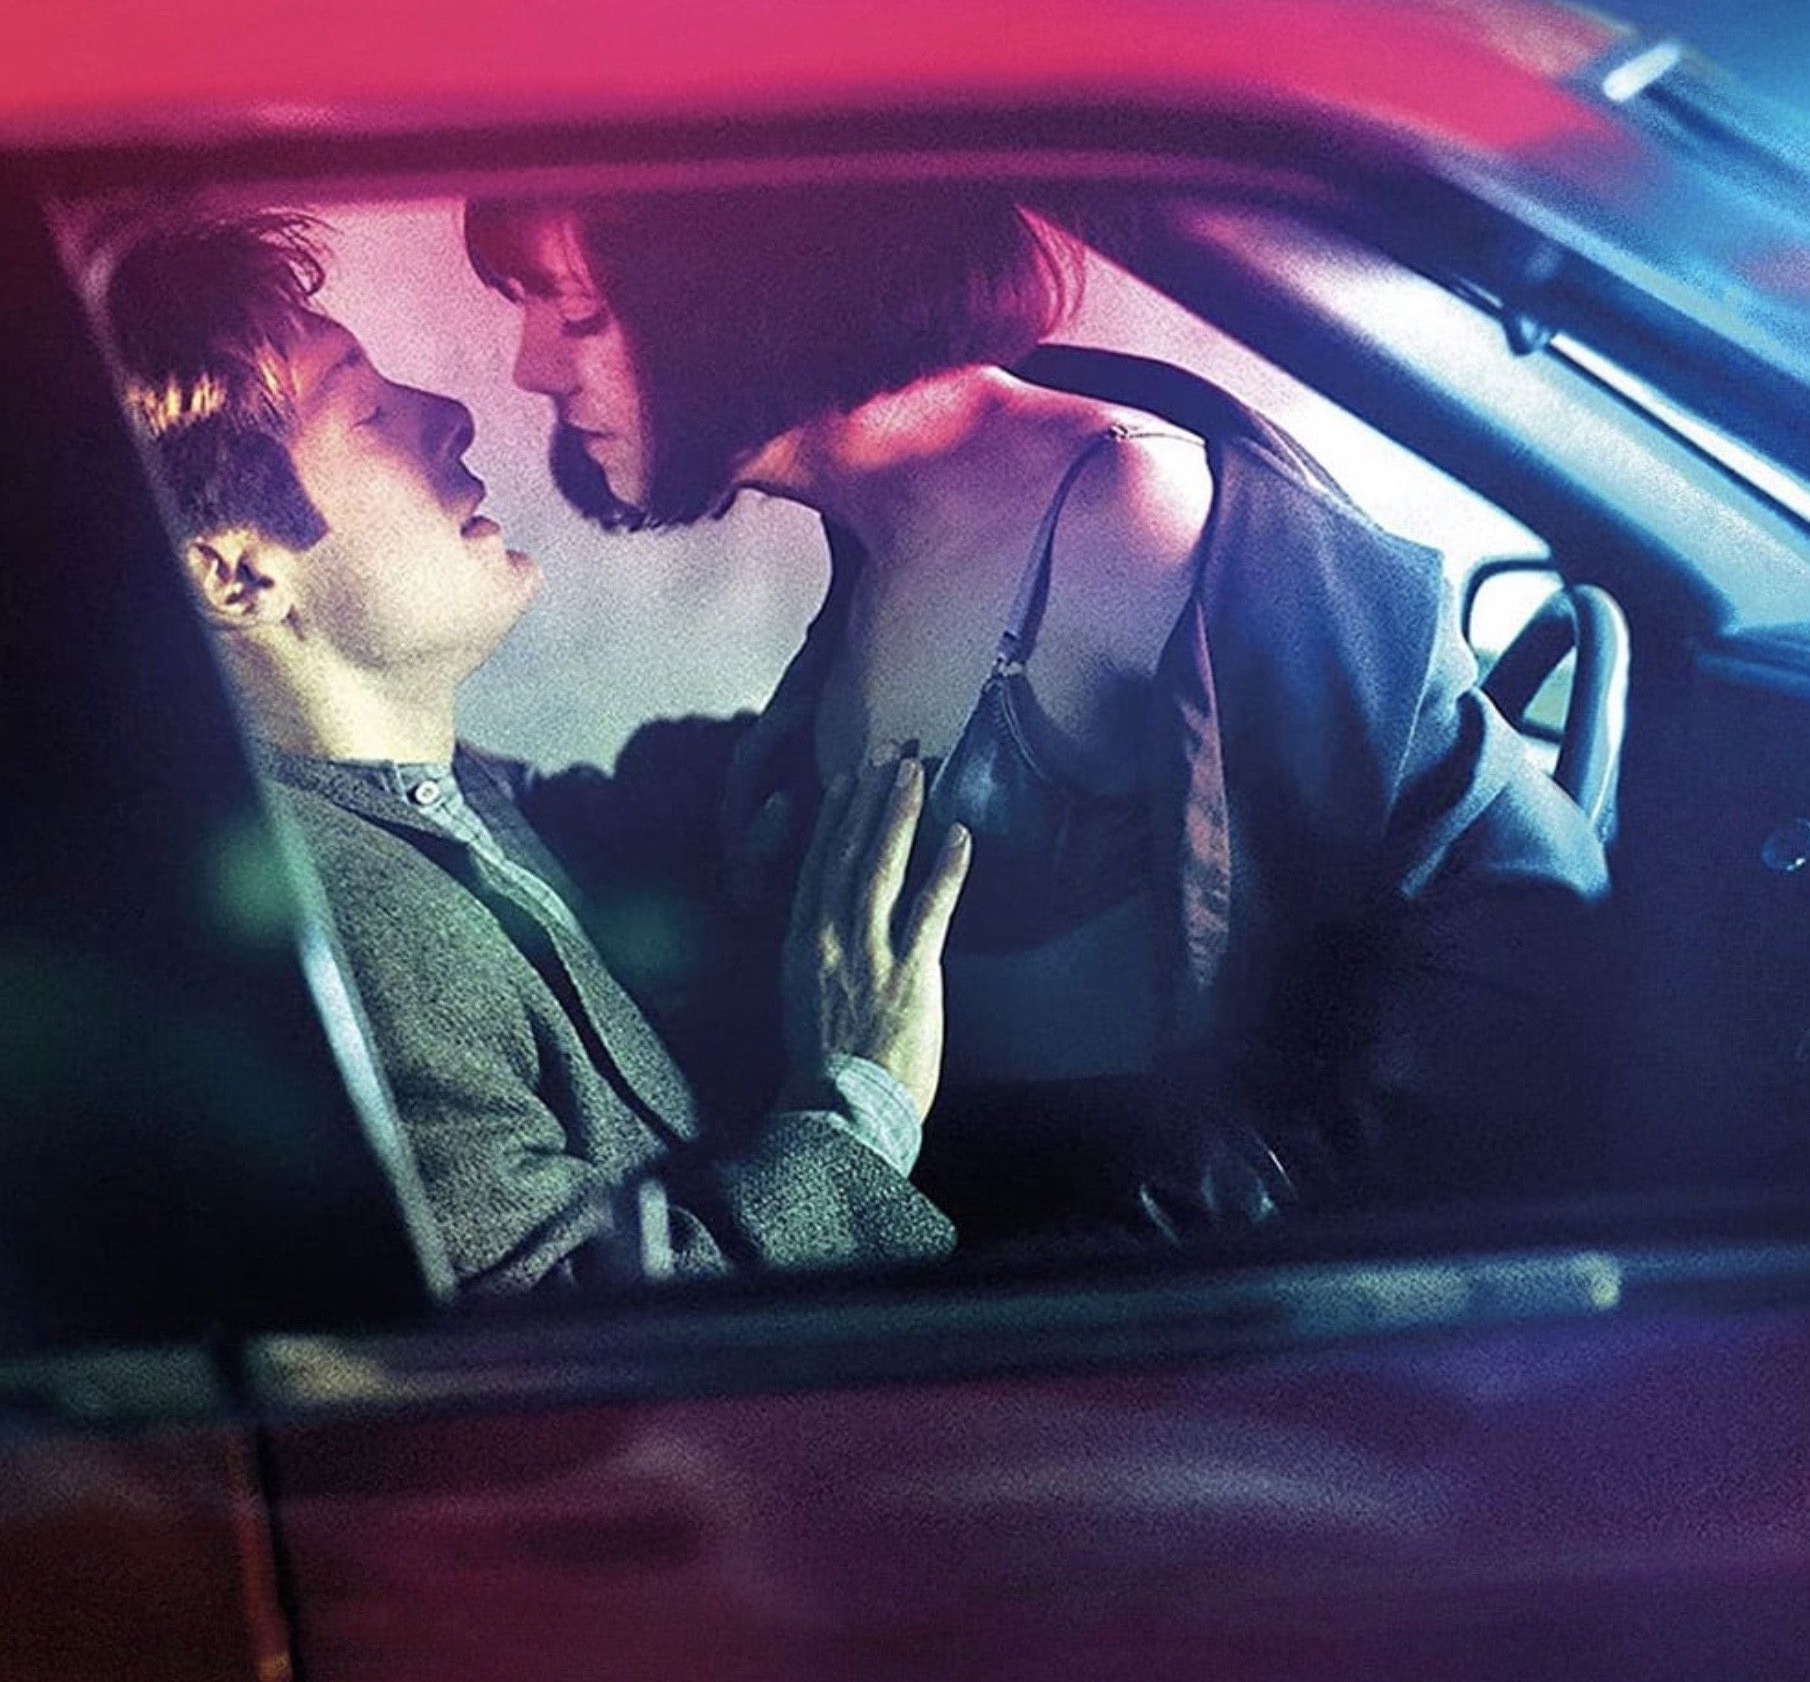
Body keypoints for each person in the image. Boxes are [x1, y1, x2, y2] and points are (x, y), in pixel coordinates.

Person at [465, 185, 1612, 1247]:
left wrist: (1166, 1267)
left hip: (1134, 1315)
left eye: (578, 313)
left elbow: (1510, 920)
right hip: (943, 1254)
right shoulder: (885, 518)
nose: (531, 367)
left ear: (750, 286)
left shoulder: (1128, 519)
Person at [101, 212, 969, 1298]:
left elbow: (601, 822)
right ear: (237, 577)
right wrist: (859, 1104)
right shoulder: (336, 930)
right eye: (367, 413)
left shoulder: (415, 800)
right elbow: (569, 1347)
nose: (451, 417)